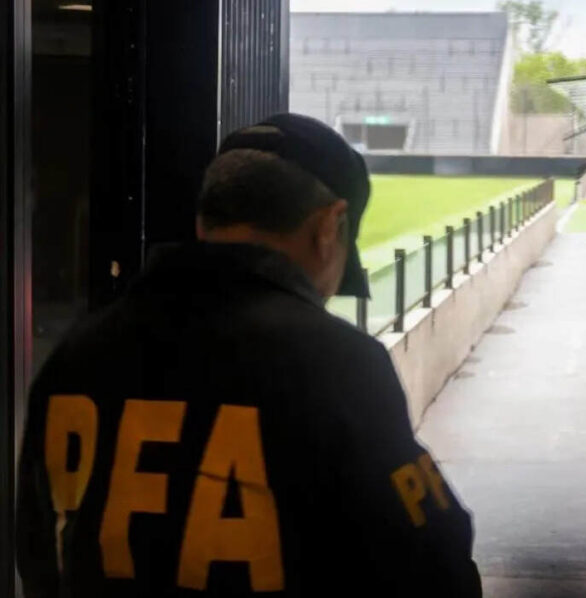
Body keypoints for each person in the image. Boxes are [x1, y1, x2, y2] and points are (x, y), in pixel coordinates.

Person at [16, 114, 482, 596]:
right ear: (330, 227)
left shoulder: (78, 353)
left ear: (204, 222)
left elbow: (39, 552)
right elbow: (433, 567)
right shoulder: (341, 364)